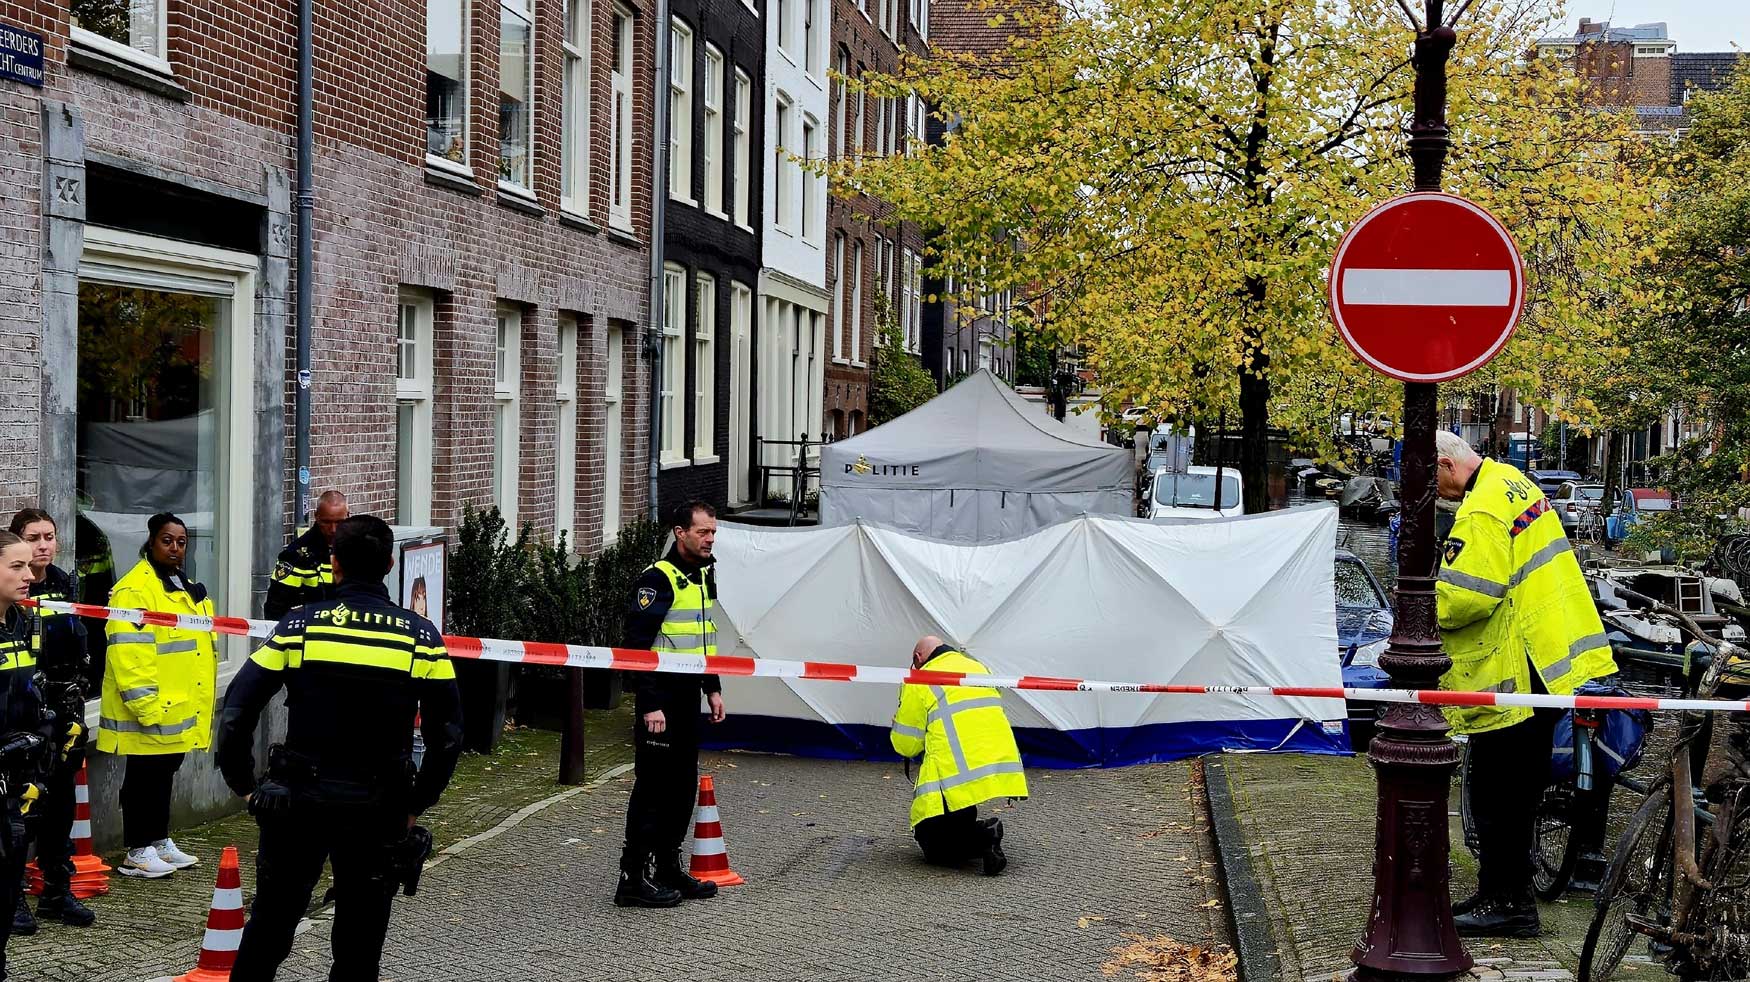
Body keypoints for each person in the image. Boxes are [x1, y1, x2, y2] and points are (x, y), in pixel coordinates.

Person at [217, 515, 463, 981]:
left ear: (334, 565)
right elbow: (447, 736)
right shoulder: (419, 637)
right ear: (390, 564)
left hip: (298, 803)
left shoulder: (300, 626)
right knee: (360, 943)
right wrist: (416, 805)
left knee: (269, 928)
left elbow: (236, 711)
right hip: (378, 806)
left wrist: (245, 787)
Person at [1433, 430, 1617, 937]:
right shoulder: (1512, 482)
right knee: (1515, 793)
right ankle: (1499, 892)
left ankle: (1508, 905)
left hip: (1514, 670)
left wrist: (1425, 606)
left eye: (1433, 477)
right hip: (1548, 661)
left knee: (1500, 795)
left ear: (1447, 465)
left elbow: (1467, 596)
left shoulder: (1481, 510)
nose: (1436, 490)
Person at [615, 501, 728, 908]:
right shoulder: (657, 579)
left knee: (682, 789)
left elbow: (704, 640)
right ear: (680, 532)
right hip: (660, 702)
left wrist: (712, 687)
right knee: (652, 790)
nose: (709, 539)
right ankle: (632, 878)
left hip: (686, 699)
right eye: (703, 532)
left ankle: (666, 868)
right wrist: (649, 704)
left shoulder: (702, 577)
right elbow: (635, 648)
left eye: (713, 532)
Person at [99, 513, 217, 879]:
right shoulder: (136, 589)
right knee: (143, 779)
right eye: (167, 540)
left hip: (177, 704)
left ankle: (158, 840)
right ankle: (137, 850)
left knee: (163, 775)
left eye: (181, 542)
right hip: (150, 706)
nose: (176, 548)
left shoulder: (182, 585)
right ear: (151, 543)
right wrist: (145, 704)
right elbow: (129, 653)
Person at [9, 509, 95, 932]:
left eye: (49, 536)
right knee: (25, 806)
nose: (43, 545)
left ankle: (57, 890)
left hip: (66, 707)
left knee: (62, 802)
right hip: (27, 712)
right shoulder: (11, 595)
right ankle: (14, 895)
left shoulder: (65, 583)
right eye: (33, 537)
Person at [890, 636, 1028, 876]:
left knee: (934, 848)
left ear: (917, 658)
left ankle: (986, 835)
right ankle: (977, 834)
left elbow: (906, 744)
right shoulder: (977, 667)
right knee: (958, 815)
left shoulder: (920, 678)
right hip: (988, 763)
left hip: (952, 771)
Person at [0, 531, 58, 981]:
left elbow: (27, 692)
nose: (28, 574)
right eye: (16, 566)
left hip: (17, 780)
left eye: (28, 565)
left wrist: (43, 730)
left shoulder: (21, 622)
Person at [263, 490, 349, 620]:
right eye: (326, 522)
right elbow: (276, 606)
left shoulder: (358, 548)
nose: (333, 529)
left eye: (339, 522)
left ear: (348, 516)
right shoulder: (296, 555)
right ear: (316, 516)